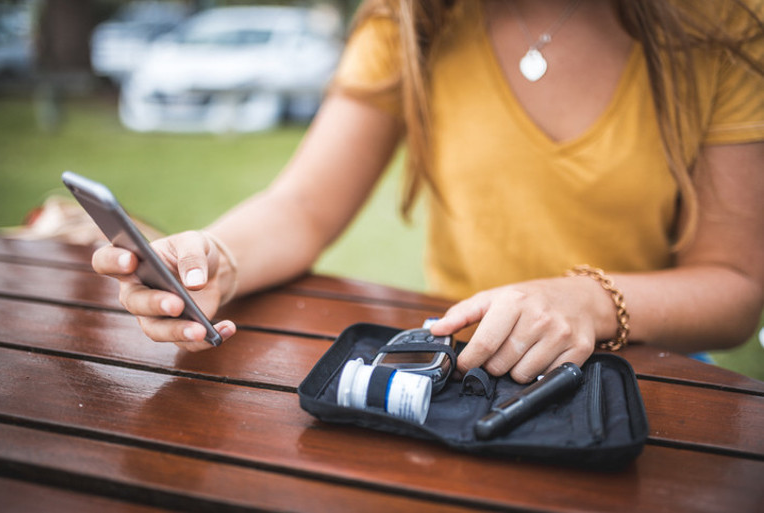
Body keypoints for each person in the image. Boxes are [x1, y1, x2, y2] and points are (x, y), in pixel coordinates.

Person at [92, 0, 764, 384]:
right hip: (460, 371)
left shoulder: (723, 23)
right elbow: (304, 204)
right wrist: (218, 257)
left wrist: (586, 302)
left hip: (647, 378)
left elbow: (735, 286)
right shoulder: (412, 17)